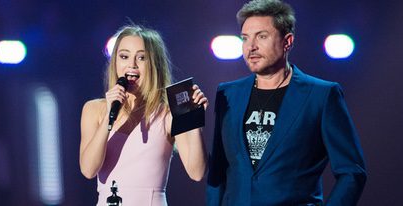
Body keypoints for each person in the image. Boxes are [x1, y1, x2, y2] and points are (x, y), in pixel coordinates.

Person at [206, 0, 367, 205]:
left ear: (287, 41)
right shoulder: (228, 94)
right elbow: (218, 171)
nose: (251, 47)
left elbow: (352, 172)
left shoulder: (321, 95)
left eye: (262, 36)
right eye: (245, 38)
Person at [80, 25, 208, 206]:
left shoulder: (168, 114)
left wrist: (194, 121)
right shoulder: (94, 109)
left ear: (154, 64)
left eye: (141, 58)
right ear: (115, 62)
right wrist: (110, 114)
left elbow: (197, 173)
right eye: (124, 56)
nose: (131, 64)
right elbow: (88, 170)